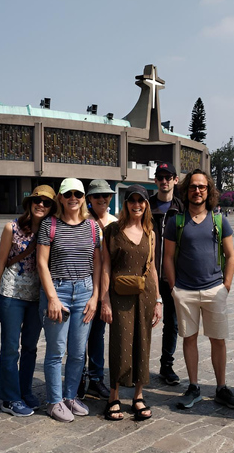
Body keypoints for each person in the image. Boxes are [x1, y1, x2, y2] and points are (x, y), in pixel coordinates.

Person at [162, 169, 234, 410]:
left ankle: (221, 387)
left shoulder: (219, 220)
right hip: (185, 290)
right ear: (186, 191)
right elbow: (167, 258)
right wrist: (174, 287)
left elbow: (230, 255)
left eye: (202, 187)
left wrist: (226, 285)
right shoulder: (176, 221)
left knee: (218, 339)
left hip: (214, 289)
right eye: (193, 187)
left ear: (209, 191)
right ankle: (194, 386)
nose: (197, 191)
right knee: (189, 338)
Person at [37, 178, 101, 422]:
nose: (73, 198)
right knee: (56, 351)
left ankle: (70, 396)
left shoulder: (92, 227)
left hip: (84, 291)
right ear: (60, 198)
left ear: (84, 197)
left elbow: (97, 263)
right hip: (59, 291)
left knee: (77, 352)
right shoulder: (49, 225)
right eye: (68, 194)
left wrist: (95, 296)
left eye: (78, 194)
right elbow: (42, 262)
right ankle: (54, 401)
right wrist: (52, 297)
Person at [100, 185, 162, 421]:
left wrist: (158, 300)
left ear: (146, 204)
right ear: (126, 204)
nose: (137, 205)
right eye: (132, 200)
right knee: (120, 341)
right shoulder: (113, 231)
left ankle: (138, 395)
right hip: (119, 294)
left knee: (143, 343)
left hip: (145, 294)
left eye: (141, 201)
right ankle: (113, 396)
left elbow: (153, 268)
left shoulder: (151, 233)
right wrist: (104, 299)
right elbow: (106, 266)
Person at [0, 185, 56, 417]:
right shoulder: (12, 227)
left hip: (36, 296)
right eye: (36, 200)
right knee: (10, 348)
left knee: (30, 346)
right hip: (11, 292)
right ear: (29, 203)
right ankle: (10, 398)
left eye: (46, 202)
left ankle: (25, 389)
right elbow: (1, 261)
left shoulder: (51, 231)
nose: (40, 204)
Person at [79, 179, 118, 400]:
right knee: (79, 335)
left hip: (106, 287)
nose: (102, 199)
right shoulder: (82, 221)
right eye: (96, 196)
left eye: (106, 195)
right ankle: (79, 378)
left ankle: (96, 378)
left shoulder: (115, 222)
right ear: (89, 199)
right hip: (84, 285)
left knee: (97, 335)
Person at [149, 162, 184, 386]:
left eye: (168, 177)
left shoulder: (182, 208)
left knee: (172, 323)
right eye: (160, 177)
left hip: (172, 275)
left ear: (175, 179)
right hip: (148, 275)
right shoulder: (145, 206)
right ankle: (138, 364)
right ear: (156, 181)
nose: (164, 181)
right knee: (143, 322)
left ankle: (166, 365)